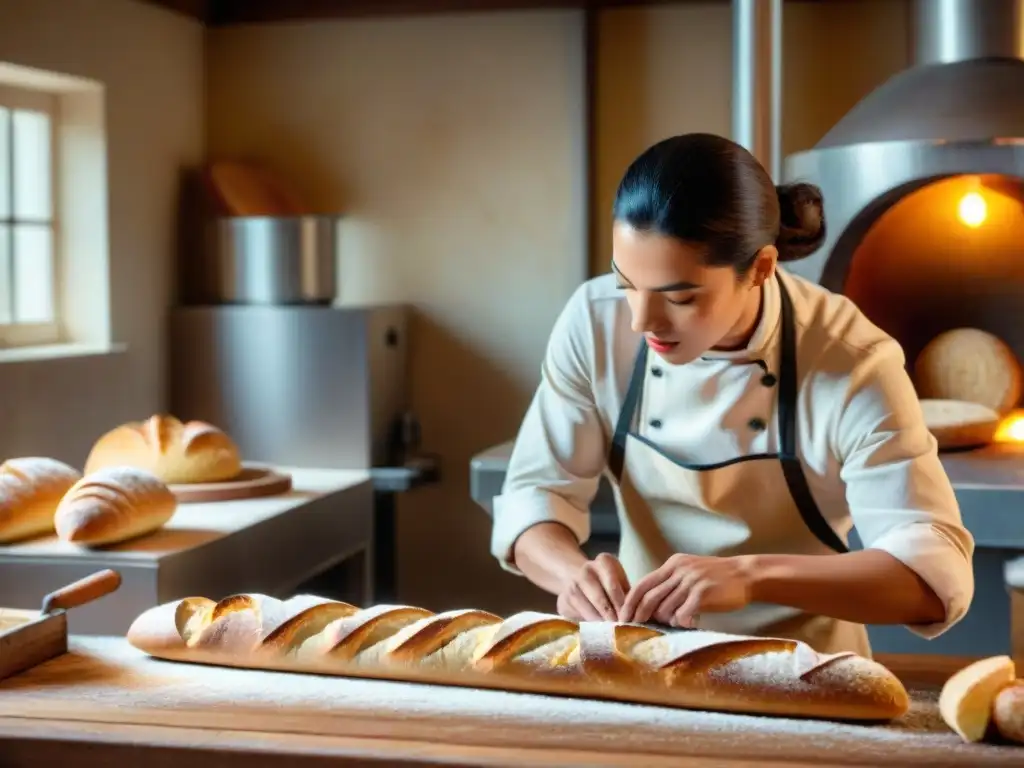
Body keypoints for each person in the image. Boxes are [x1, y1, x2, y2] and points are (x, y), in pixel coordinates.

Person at [490, 132, 974, 657]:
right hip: (640, 658)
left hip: (806, 670)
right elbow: (535, 498)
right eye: (626, 283)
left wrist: (752, 576)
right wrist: (574, 576)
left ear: (762, 268)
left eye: (680, 296)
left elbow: (931, 578)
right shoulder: (593, 321)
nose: (640, 321)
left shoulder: (849, 358)